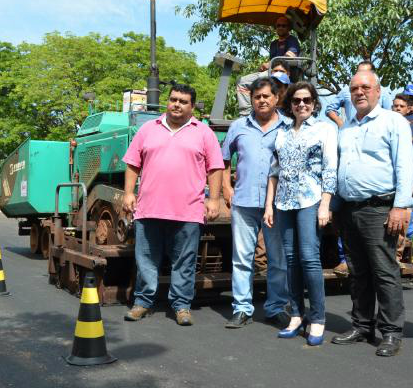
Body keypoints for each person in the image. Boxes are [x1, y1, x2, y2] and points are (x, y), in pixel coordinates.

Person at [122, 84, 225, 326]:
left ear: (192, 106)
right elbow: (132, 163)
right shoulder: (147, 129)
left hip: (188, 210)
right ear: (168, 101)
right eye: (173, 99)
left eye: (183, 101)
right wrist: (128, 193)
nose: (177, 104)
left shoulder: (204, 133)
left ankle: (181, 306)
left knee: (184, 261)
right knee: (146, 259)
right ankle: (142, 302)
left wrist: (213, 199)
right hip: (149, 208)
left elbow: (216, 168)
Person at [330, 70, 413, 357]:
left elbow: (405, 165)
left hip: (379, 209)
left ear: (378, 91)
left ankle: (391, 332)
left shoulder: (394, 122)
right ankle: (362, 325)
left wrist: (401, 206)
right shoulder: (346, 127)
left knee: (384, 271)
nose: (359, 92)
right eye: (354, 88)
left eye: (365, 87)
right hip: (349, 210)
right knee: (358, 272)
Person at [264, 82, 337, 346]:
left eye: (306, 100)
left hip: (310, 200)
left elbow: (330, 169)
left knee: (309, 258)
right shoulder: (282, 131)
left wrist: (325, 204)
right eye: (296, 101)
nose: (302, 105)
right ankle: (296, 314)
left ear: (314, 103)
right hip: (283, 202)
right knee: (291, 260)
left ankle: (317, 318)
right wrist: (269, 205)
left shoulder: (325, 129)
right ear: (290, 104)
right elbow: (275, 171)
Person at [221, 77, 291, 330]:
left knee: (277, 259)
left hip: (278, 204)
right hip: (244, 202)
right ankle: (241, 309)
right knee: (242, 258)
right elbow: (223, 159)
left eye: (266, 96)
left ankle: (275, 308)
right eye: (257, 96)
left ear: (276, 99)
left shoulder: (288, 127)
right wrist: (226, 189)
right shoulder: (238, 126)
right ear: (251, 99)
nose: (261, 100)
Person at [236, 15, 300, 116]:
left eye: (284, 25)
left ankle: (249, 113)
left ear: (288, 28)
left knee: (253, 80)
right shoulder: (273, 44)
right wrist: (264, 66)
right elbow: (272, 62)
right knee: (242, 81)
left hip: (283, 72)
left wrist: (269, 64)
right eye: (278, 25)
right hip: (271, 71)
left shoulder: (292, 40)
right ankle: (247, 113)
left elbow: (289, 56)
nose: (281, 27)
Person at [392, 94, 413, 242]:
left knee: (406, 219)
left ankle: (404, 256)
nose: (398, 108)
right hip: (387, 182)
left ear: (408, 110)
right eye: (395, 106)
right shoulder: (383, 125)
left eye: (402, 106)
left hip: (407, 181)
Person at [325, 61, 394, 128]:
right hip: (352, 134)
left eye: (365, 72)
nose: (359, 92)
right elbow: (330, 109)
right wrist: (342, 125)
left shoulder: (383, 91)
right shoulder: (347, 90)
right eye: (359, 72)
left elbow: (390, 115)